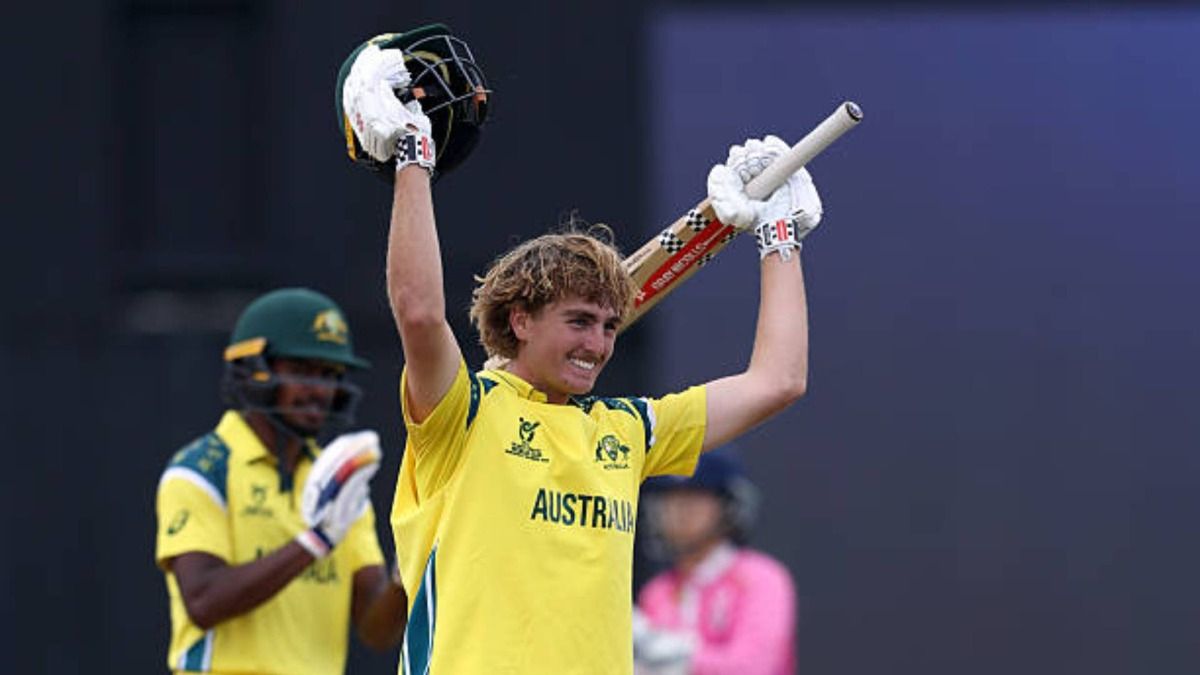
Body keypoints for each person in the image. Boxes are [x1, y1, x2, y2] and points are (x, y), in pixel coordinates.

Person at [341, 39, 825, 675]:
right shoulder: (461, 414)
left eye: (606, 325)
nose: (597, 344)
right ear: (520, 320)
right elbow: (420, 311)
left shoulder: (627, 429)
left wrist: (778, 237)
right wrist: (412, 154)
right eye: (577, 321)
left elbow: (778, 381)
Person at [154, 287, 408, 675]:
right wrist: (316, 540)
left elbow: (376, 630)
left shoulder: (340, 482)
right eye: (303, 371)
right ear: (254, 368)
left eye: (329, 375)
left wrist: (405, 573)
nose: (319, 391)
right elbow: (203, 601)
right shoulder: (201, 470)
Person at [634, 451, 797, 675]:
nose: (678, 511)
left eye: (694, 497)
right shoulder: (656, 591)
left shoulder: (761, 578)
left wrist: (675, 656)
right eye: (668, 499)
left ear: (729, 505)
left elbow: (755, 668)